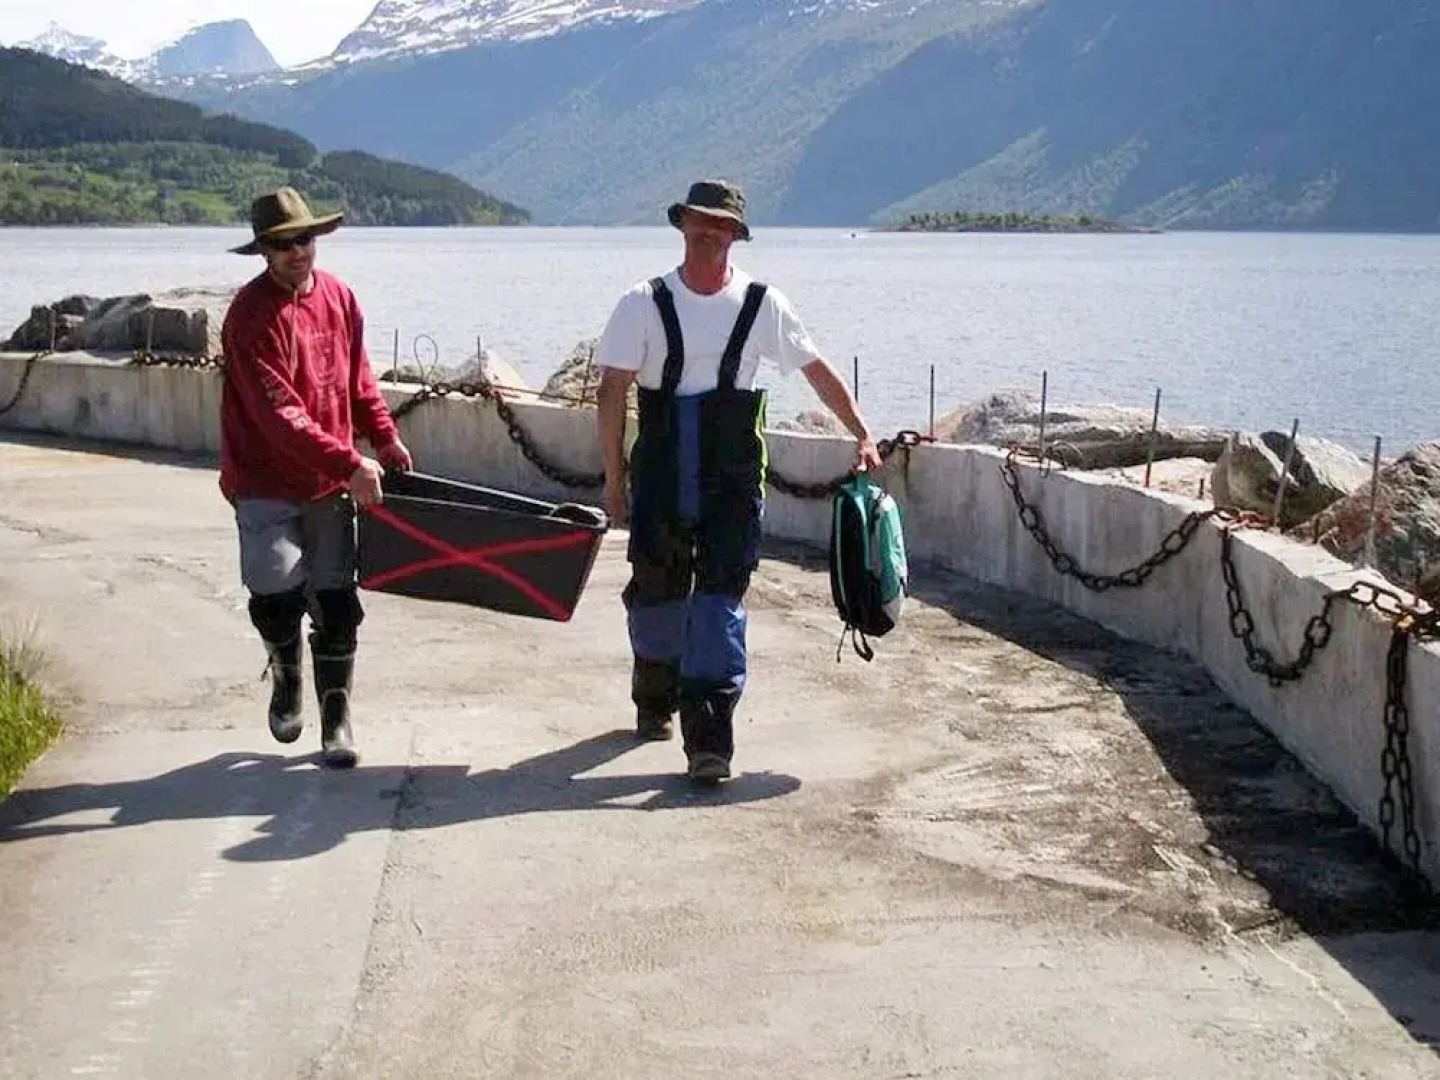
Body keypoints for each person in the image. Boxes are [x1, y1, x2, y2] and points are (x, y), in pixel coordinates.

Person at [594, 179, 883, 784]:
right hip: (661, 477)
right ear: (682, 225)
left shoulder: (763, 304)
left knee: (719, 604)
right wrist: (614, 482)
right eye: (700, 221)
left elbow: (815, 369)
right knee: (657, 599)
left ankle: (710, 740)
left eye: (721, 224)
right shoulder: (641, 303)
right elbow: (612, 391)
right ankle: (654, 695)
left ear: (735, 234)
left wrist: (861, 432)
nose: (709, 232)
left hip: (732, 484)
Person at [220, 187, 412, 769]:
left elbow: (358, 379)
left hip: (329, 486)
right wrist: (350, 463)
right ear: (263, 251)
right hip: (263, 480)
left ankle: (336, 719)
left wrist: (383, 437)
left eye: (303, 239)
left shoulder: (340, 297)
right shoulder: (249, 317)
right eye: (282, 244)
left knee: (336, 600)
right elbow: (280, 416)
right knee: (274, 590)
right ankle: (286, 678)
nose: (297, 252)